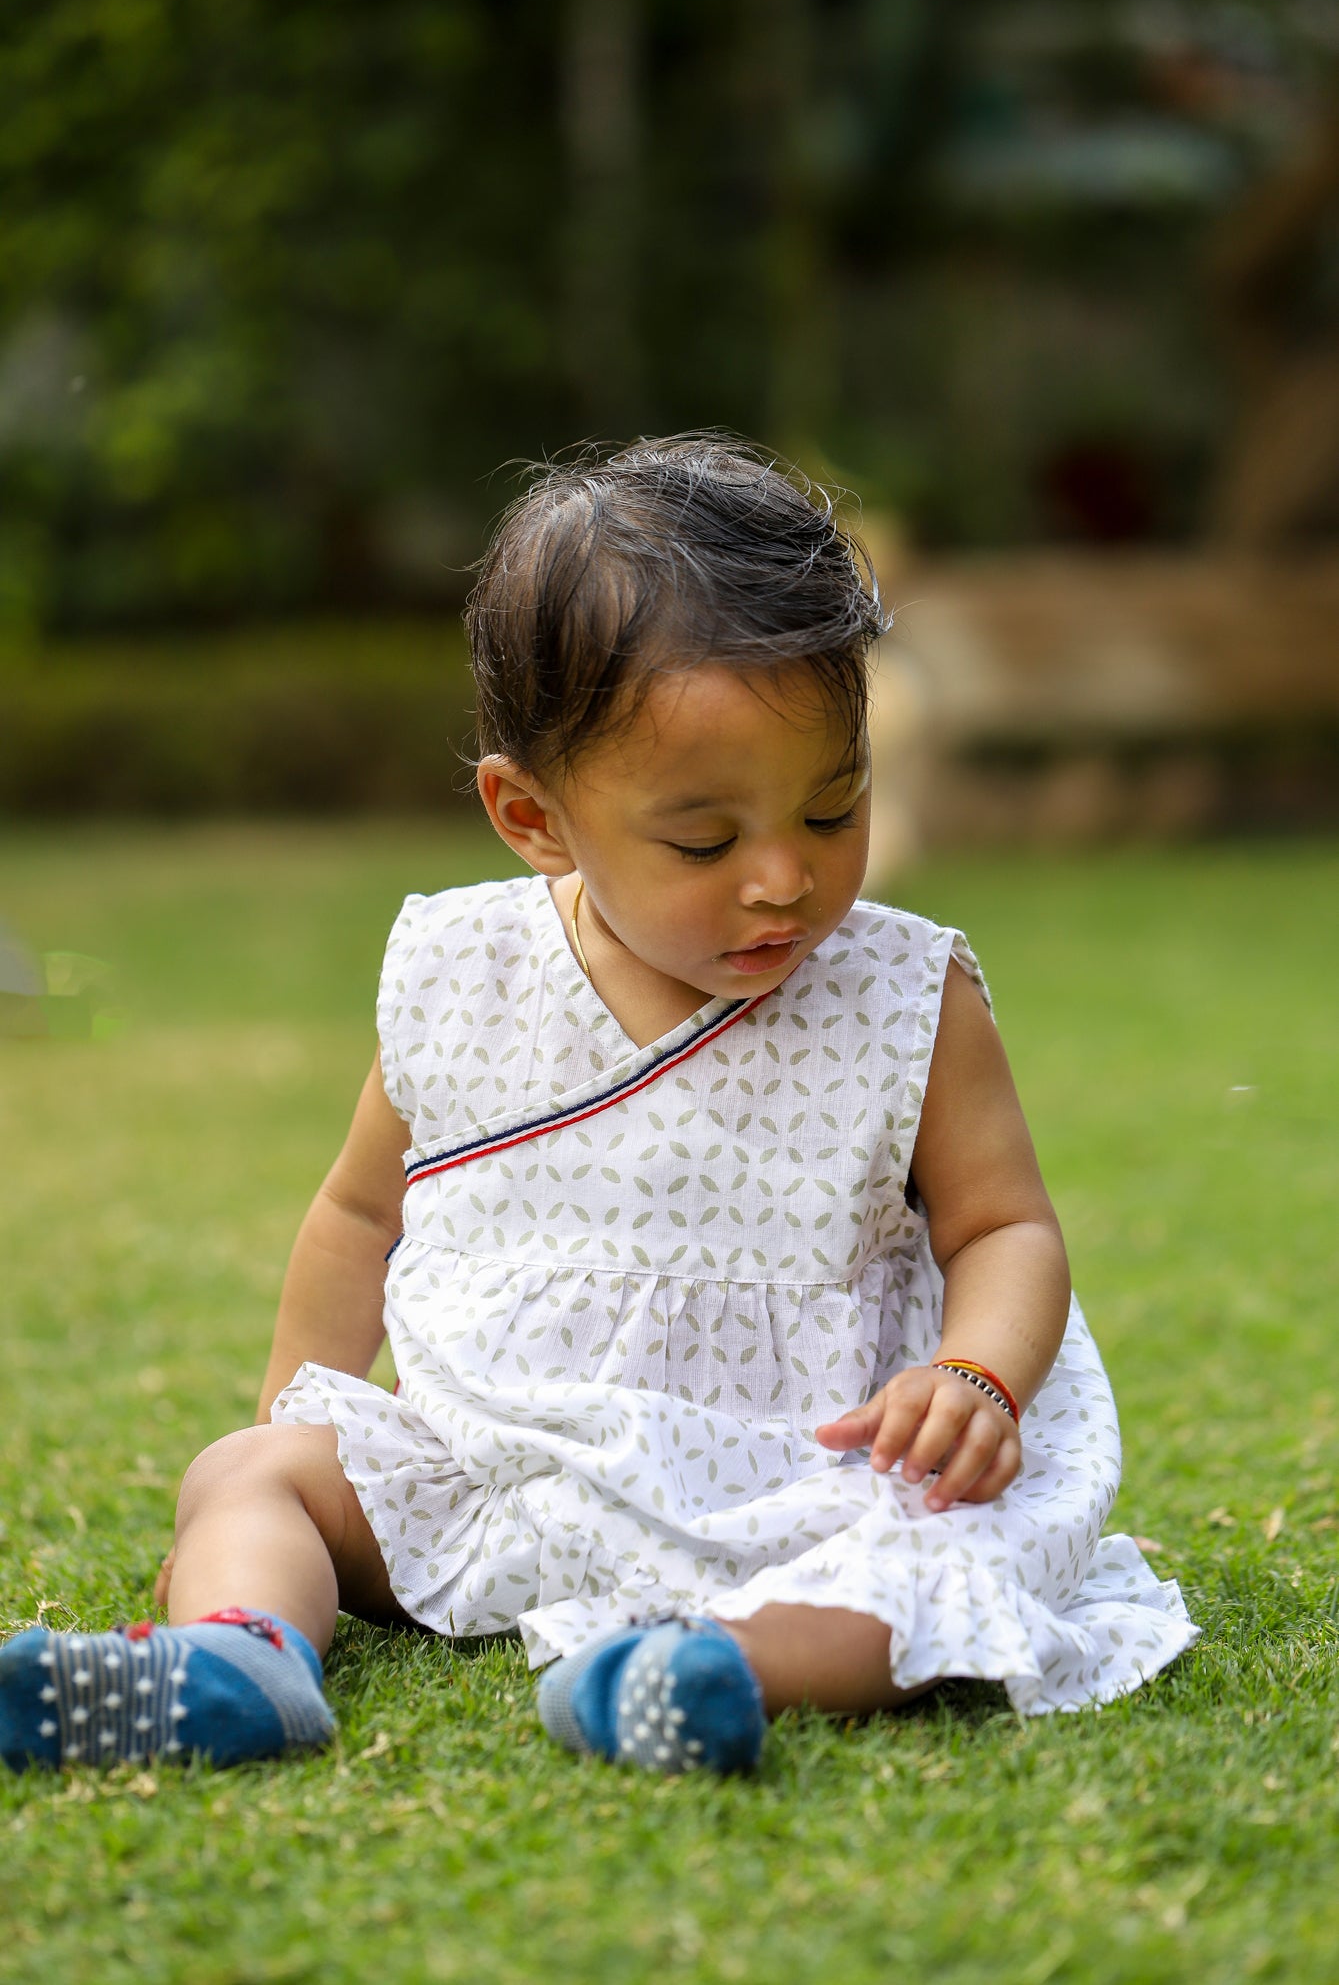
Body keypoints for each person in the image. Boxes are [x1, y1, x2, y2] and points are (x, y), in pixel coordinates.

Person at [0, 436, 1197, 1776]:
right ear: (533, 816)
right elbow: (356, 1212)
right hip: (507, 1460)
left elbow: (1005, 1229)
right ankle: (238, 1655)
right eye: (705, 839)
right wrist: (312, 1415)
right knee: (246, 1473)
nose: (783, 881)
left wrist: (975, 1377)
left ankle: (702, 1675)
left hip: (800, 1473)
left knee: (936, 1559)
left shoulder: (906, 990)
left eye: (833, 808)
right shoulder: (461, 973)